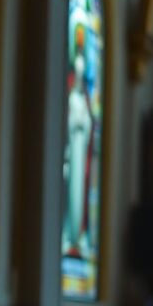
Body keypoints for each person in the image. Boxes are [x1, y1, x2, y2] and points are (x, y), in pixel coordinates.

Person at [63, 17, 94, 258]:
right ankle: (68, 234)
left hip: (80, 153)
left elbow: (89, 124)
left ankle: (78, 234)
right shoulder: (70, 95)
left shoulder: (84, 99)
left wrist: (84, 126)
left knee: (78, 197)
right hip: (70, 153)